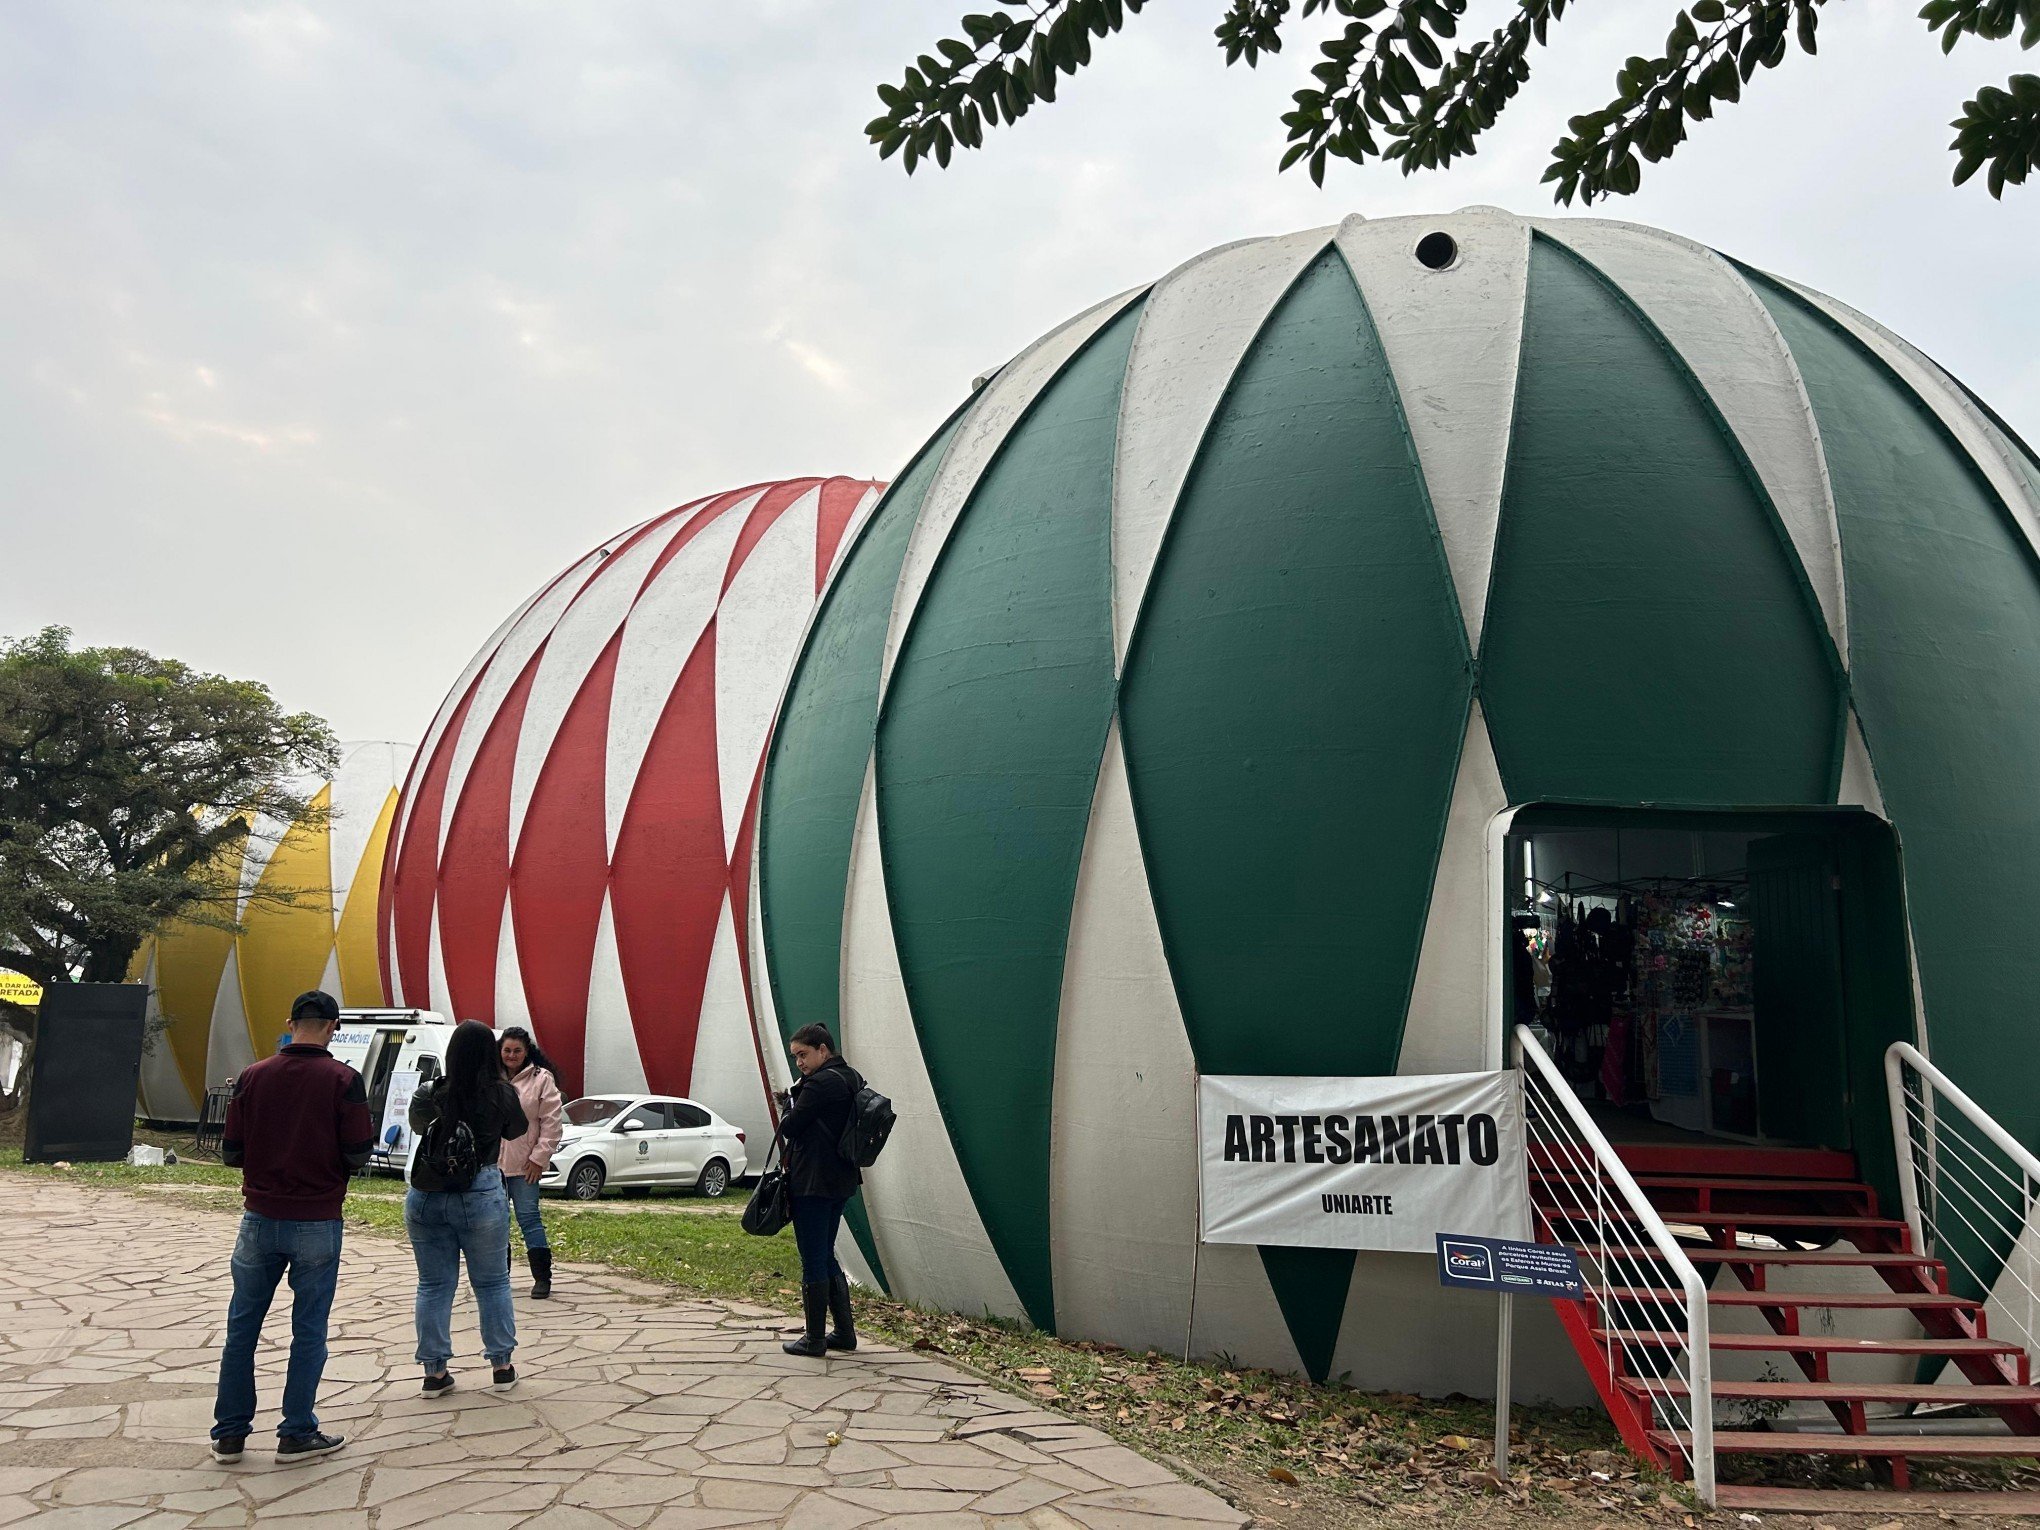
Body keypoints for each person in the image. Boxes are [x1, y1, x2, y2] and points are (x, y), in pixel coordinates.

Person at [210, 989, 371, 1465]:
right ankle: (296, 1431)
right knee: (308, 1329)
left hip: (258, 1218)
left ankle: (231, 1434)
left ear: (290, 1021)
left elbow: (231, 1152)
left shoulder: (252, 1077)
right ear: (333, 1027)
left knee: (242, 1327)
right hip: (317, 1220)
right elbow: (359, 1151)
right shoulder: (344, 1080)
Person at [406, 1020, 529, 1396]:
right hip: (480, 1192)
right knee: (492, 1282)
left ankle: (435, 1372)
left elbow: (416, 1126)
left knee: (433, 1284)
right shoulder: (500, 1093)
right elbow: (516, 1130)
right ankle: (501, 1365)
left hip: (427, 1195)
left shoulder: (430, 1092)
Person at [777, 1022, 862, 1358]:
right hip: (840, 1178)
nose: (799, 1062)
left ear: (823, 1050)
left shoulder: (819, 1083)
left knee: (812, 1256)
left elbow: (791, 1128)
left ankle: (813, 1339)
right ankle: (843, 1332)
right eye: (795, 1056)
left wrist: (788, 1101)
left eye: (803, 1054)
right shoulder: (850, 1077)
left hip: (812, 1180)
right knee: (825, 1253)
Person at [497, 1026, 564, 1299]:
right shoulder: (491, 1078)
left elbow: (552, 1122)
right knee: (496, 1223)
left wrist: (539, 1158)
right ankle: (499, 1278)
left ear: (527, 1052)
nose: (511, 1055)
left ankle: (542, 1278)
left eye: (517, 1051)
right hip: (493, 1167)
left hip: (526, 1166)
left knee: (529, 1219)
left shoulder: (541, 1079)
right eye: (507, 1050)